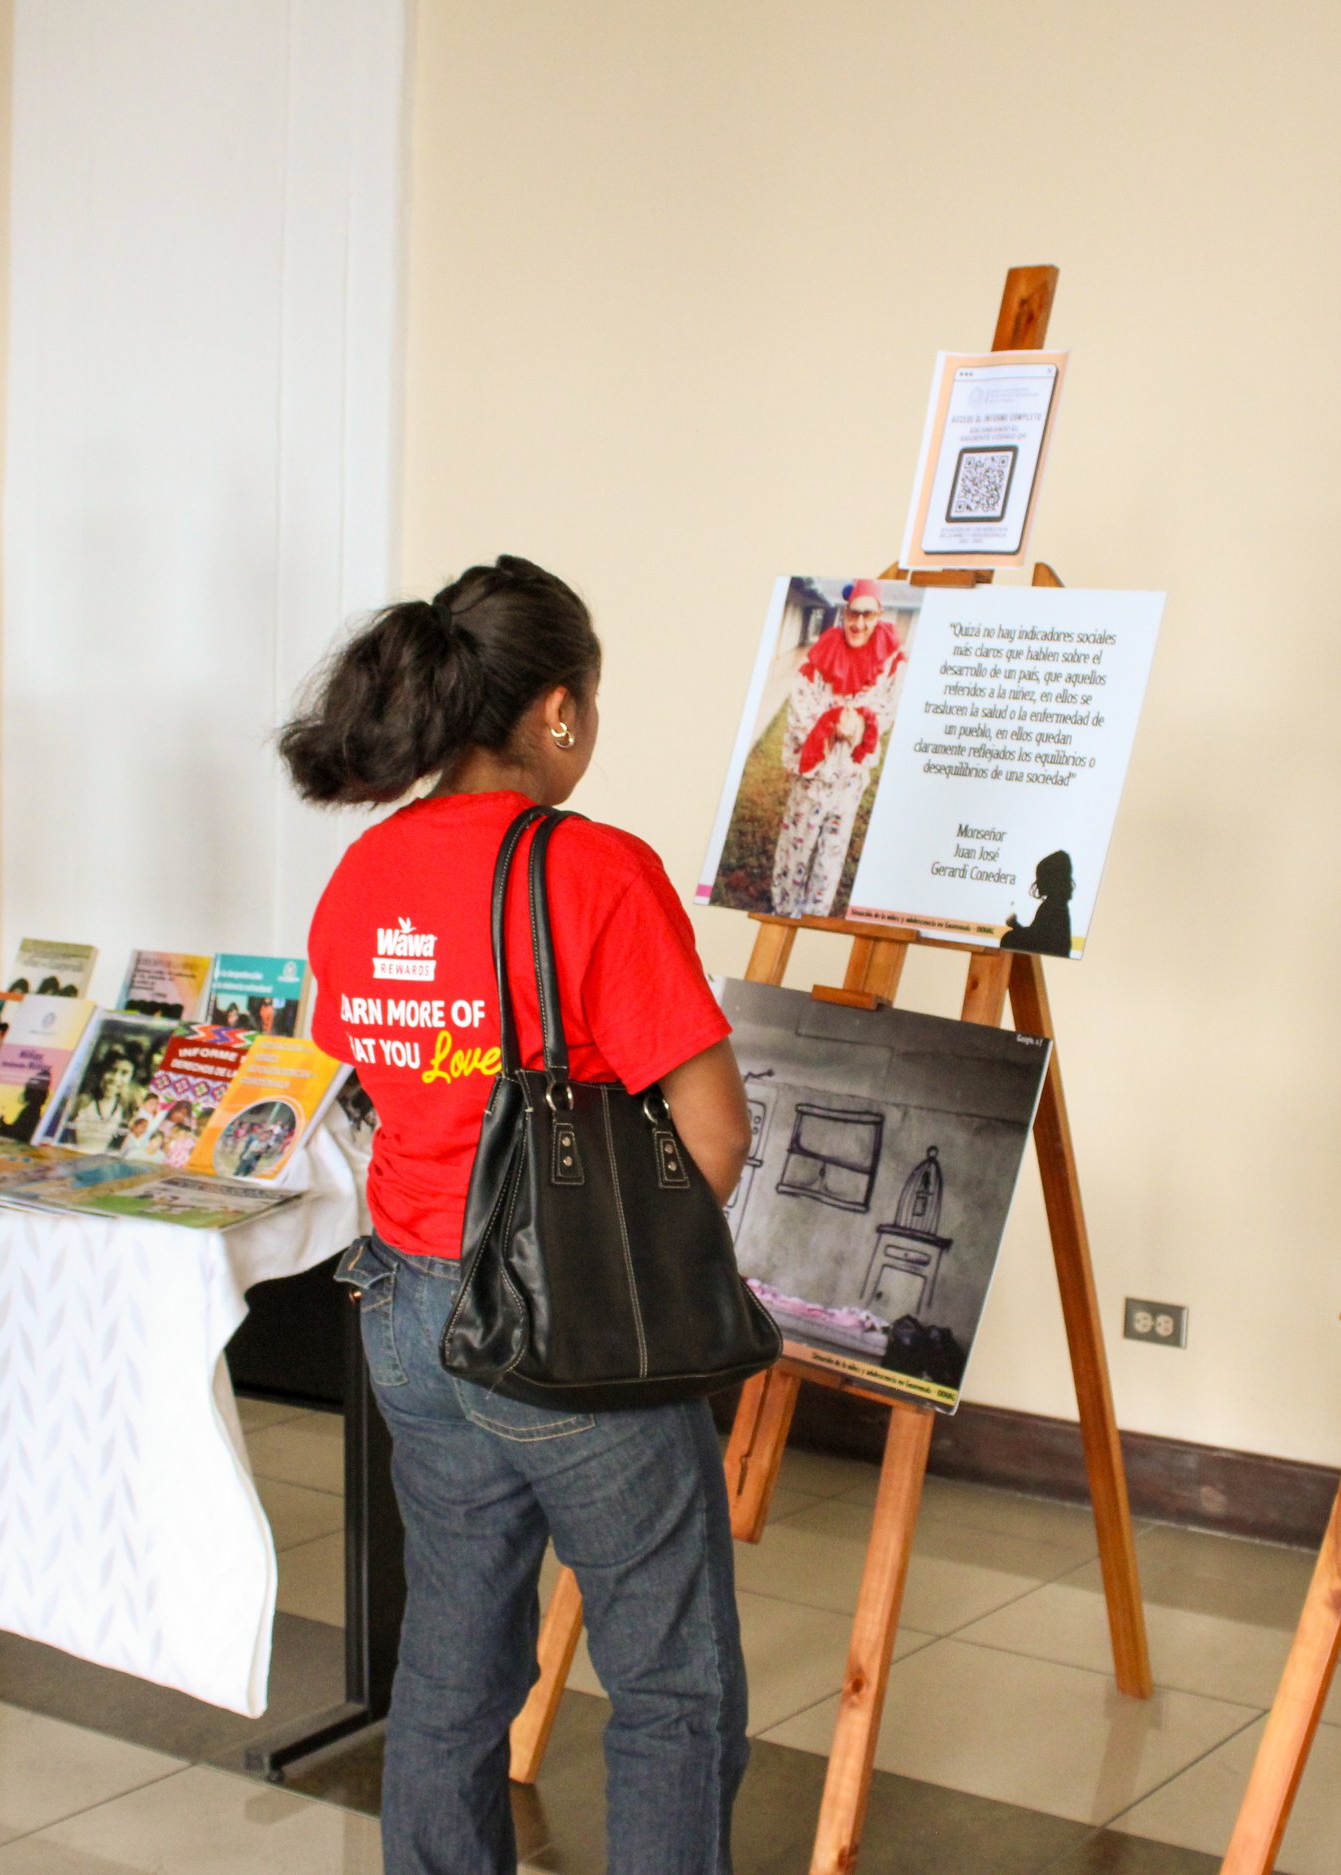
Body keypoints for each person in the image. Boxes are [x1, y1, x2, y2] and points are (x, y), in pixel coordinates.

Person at [283, 555, 754, 1875]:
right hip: (564, 1329)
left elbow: (363, 1070)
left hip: (406, 1309)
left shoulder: (365, 869)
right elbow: (716, 1133)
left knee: (453, 1652)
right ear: (558, 710)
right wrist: (633, 1287)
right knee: (669, 1680)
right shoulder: (593, 870)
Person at [767, 578, 906, 917]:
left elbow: (889, 706)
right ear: (845, 612)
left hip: (850, 780)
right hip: (815, 777)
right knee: (797, 844)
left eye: (867, 615)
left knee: (832, 850)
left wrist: (860, 724)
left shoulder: (890, 660)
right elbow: (801, 702)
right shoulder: (824, 649)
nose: (858, 624)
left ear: (879, 614)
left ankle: (816, 913)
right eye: (853, 614)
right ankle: (785, 907)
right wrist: (831, 723)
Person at [1000, 850, 1075, 956]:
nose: (1037, 883)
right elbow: (1036, 936)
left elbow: (1036, 941)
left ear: (1052, 880)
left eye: (1041, 879)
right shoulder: (1057, 907)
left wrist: (1015, 926)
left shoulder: (1052, 908)